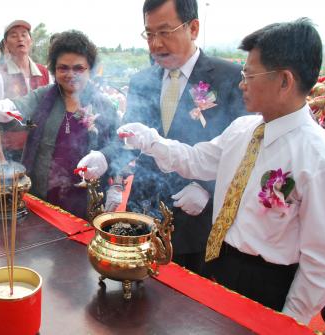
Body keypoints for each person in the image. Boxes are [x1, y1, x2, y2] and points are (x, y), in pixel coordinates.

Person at [109, 18, 325, 325]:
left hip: (269, 284)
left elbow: (322, 261)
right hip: (219, 262)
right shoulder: (243, 129)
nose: (241, 84)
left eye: (250, 75)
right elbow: (197, 161)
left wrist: (289, 322)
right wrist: (152, 141)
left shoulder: (319, 158)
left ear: (284, 81)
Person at [78, 0, 246, 274]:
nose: (156, 44)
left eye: (165, 32)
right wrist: (104, 157)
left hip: (194, 217)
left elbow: (243, 151)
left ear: (193, 28)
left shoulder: (228, 78)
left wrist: (209, 190)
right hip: (143, 210)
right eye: (150, 34)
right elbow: (129, 137)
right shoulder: (143, 80)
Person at [0, 30, 118, 219]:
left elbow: (120, 145)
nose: (70, 74)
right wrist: (6, 111)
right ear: (54, 69)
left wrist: (105, 158)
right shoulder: (43, 96)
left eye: (78, 68)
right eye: (63, 68)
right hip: (43, 194)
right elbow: (20, 108)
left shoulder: (104, 104)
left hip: (87, 197)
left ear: (90, 68)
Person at [0, 19, 50, 162]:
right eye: (13, 35)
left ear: (31, 41)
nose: (20, 39)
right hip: (12, 152)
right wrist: (1, 158)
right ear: (5, 44)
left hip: (41, 149)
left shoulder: (46, 73)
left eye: (24, 34)